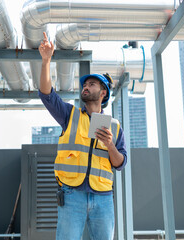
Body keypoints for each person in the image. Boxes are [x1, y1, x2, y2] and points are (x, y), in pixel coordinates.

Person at [38, 32, 127, 240]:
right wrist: (46, 61)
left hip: (103, 198)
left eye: (92, 85)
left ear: (103, 93)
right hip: (71, 195)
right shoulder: (69, 115)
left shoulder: (114, 126)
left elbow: (121, 163)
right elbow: (47, 95)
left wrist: (110, 145)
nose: (85, 88)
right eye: (85, 85)